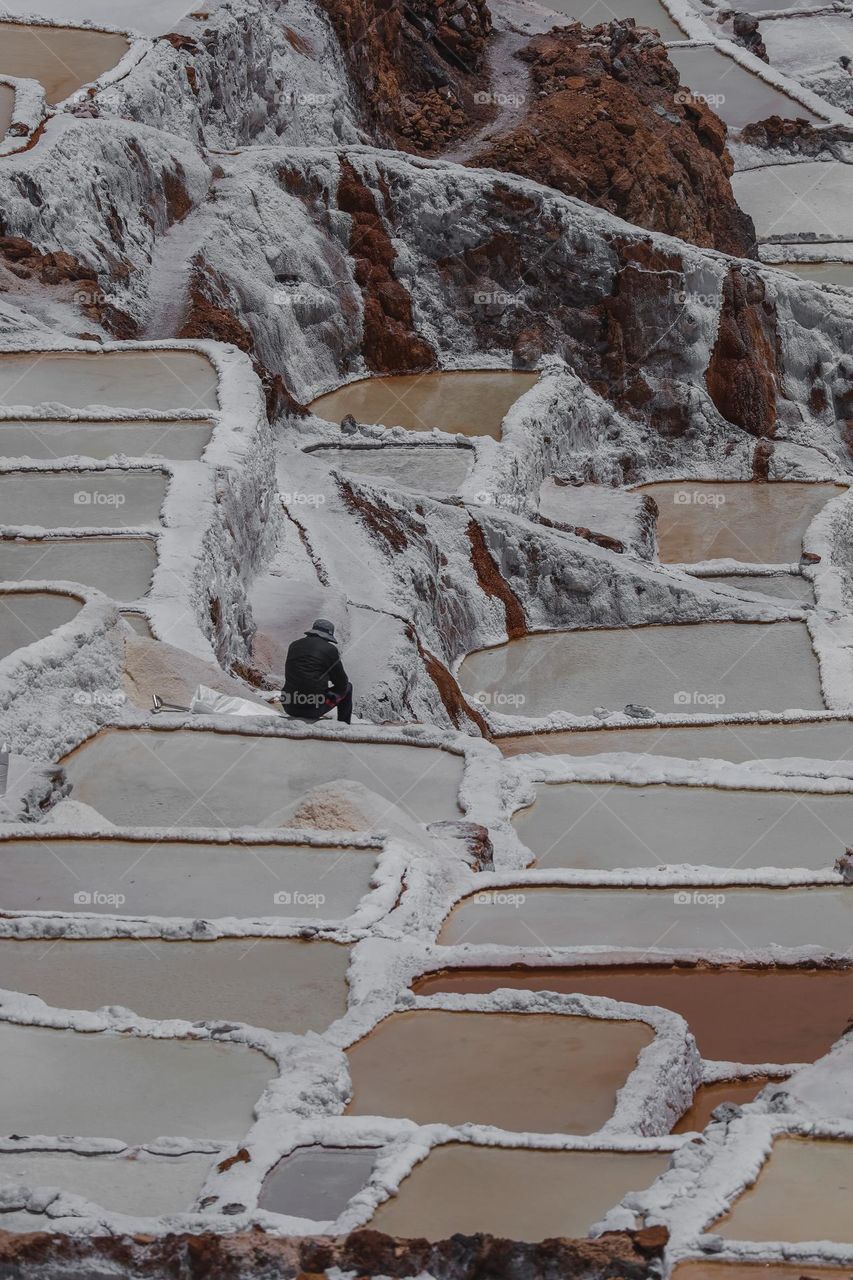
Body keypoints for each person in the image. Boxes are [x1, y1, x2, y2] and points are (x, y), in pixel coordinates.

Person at [281, 618, 353, 724]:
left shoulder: (294, 645)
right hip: (312, 708)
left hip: (288, 705)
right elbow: (342, 683)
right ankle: (344, 726)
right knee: (348, 687)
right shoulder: (330, 650)